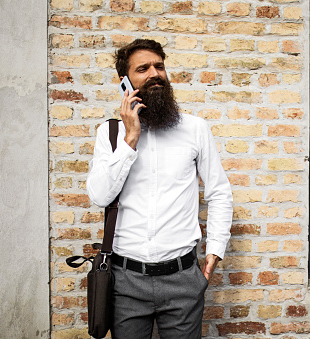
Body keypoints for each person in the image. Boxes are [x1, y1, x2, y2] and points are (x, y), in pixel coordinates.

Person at [86, 39, 233, 339]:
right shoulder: (110, 134)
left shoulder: (195, 129)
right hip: (126, 281)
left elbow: (218, 192)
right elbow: (100, 196)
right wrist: (130, 138)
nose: (155, 73)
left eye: (160, 66)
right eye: (143, 68)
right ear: (125, 82)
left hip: (183, 279)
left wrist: (214, 252)